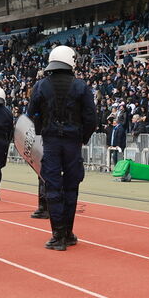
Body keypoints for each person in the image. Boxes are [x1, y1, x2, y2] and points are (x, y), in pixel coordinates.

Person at [28, 45, 99, 251]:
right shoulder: (81, 86)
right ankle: (67, 232)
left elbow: (31, 114)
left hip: (51, 142)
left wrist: (42, 132)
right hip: (72, 142)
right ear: (71, 61)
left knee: (52, 187)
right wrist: (82, 138)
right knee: (71, 187)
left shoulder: (41, 85)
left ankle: (57, 234)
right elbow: (91, 118)